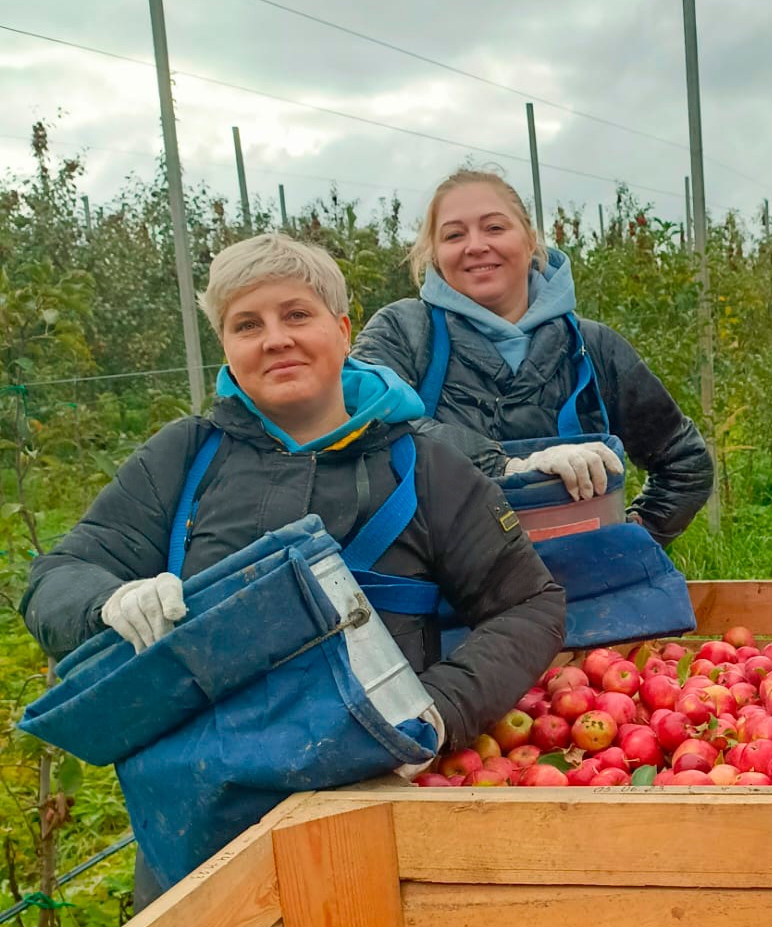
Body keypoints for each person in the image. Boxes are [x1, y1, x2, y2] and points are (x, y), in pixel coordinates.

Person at [24, 234, 566, 873]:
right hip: (206, 827)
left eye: (296, 314)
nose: (274, 338)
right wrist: (106, 601)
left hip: (376, 805)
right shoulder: (187, 457)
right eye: (246, 324)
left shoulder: (422, 464)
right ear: (227, 347)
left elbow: (530, 604)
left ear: (341, 329)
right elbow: (55, 577)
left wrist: (440, 710)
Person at [350, 168, 713, 544]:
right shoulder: (404, 332)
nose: (475, 245)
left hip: (578, 594)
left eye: (494, 228)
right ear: (437, 256)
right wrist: (508, 466)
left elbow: (686, 464)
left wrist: (631, 541)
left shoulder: (593, 348)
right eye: (454, 235)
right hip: (446, 596)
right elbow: (369, 427)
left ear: (529, 240)